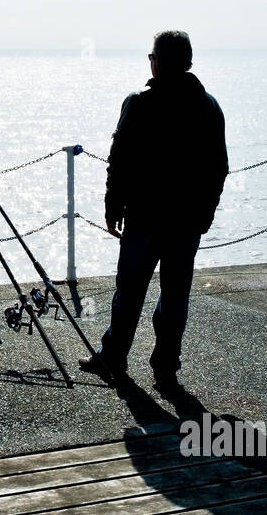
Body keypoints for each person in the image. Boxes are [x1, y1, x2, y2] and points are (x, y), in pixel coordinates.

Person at [79, 30, 228, 386]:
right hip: (187, 221)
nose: (151, 62)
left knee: (129, 290)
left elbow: (120, 160)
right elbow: (217, 168)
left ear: (158, 61)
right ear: (189, 63)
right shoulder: (208, 107)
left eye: (152, 56)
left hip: (145, 217)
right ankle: (166, 366)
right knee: (175, 295)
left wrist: (112, 204)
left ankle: (114, 356)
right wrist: (205, 214)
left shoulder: (140, 103)